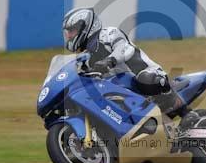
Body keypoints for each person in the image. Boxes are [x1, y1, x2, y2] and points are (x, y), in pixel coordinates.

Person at [62, 7, 199, 131]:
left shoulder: (108, 34)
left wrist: (109, 61)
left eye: (72, 31)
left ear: (86, 27)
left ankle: (186, 113)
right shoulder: (84, 57)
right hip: (119, 90)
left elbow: (124, 49)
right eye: (68, 33)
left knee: (146, 79)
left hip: (145, 75)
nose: (69, 36)